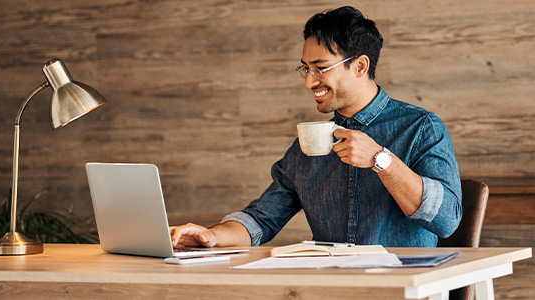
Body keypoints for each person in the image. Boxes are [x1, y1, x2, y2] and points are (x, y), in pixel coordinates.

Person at [171, 6, 462, 248]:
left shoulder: (421, 127)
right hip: (331, 287)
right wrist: (211, 236)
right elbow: (262, 219)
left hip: (404, 287)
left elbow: (447, 221)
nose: (309, 81)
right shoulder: (310, 143)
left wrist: (380, 160)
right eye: (306, 68)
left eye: (320, 68)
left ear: (360, 66)